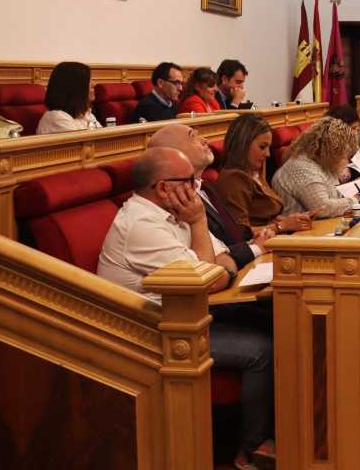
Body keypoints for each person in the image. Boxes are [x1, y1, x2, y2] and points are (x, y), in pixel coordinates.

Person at [96, 147, 274, 470]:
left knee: (272, 319)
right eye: (191, 181)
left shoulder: (171, 212)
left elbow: (222, 258)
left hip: (189, 316)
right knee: (261, 349)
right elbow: (206, 277)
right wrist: (201, 223)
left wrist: (221, 267)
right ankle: (249, 452)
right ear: (164, 187)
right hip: (153, 333)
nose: (197, 189)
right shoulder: (141, 225)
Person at [148, 123, 273, 272]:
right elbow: (209, 265)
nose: (205, 140)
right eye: (193, 137)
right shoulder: (176, 200)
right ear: (173, 153)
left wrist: (257, 240)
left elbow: (227, 244)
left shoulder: (204, 187)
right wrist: (256, 247)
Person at [215, 113, 312, 231]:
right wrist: (281, 226)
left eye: (268, 148)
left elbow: (263, 220)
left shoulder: (256, 172)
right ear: (242, 145)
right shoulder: (232, 179)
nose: (268, 154)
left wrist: (287, 220)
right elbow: (240, 232)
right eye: (262, 147)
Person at [272, 119, 356, 219]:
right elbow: (322, 208)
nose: (346, 155)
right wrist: (355, 200)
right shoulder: (301, 167)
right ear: (330, 148)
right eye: (343, 150)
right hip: (300, 233)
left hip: (322, 226)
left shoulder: (324, 162)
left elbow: (336, 197)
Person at [37, 61, 102, 133]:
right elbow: (84, 143)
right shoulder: (57, 118)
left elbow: (103, 138)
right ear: (74, 87)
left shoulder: (86, 114)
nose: (94, 84)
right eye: (89, 81)